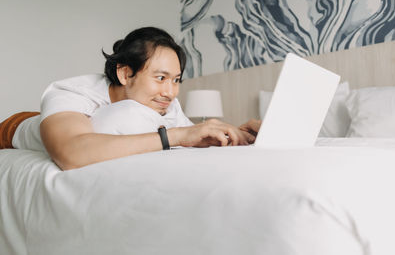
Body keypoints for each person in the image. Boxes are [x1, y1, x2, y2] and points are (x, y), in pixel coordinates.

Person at [30, 27, 261, 170]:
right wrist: (176, 135)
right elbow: (72, 154)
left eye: (176, 80)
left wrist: (237, 134)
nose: (171, 92)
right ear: (124, 73)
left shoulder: (164, 100)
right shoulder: (72, 93)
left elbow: (192, 137)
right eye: (161, 78)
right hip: (16, 127)